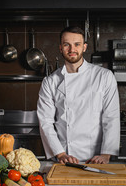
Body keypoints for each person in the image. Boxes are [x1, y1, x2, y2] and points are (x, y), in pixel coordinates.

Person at [37, 26, 120, 164]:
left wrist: (106, 155)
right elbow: (45, 121)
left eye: (77, 44)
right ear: (60, 48)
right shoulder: (50, 82)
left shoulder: (104, 76)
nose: (72, 49)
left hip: (95, 158)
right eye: (66, 45)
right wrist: (60, 154)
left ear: (84, 47)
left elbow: (111, 117)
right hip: (63, 157)